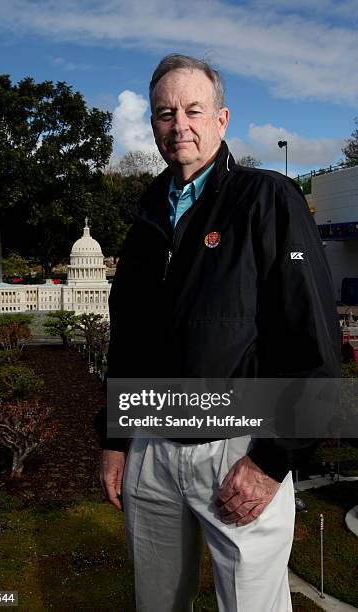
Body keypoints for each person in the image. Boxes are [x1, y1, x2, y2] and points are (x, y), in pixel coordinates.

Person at [95, 54, 340, 611]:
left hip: (238, 452)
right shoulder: (146, 220)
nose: (179, 124)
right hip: (152, 450)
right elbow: (127, 340)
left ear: (222, 119)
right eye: (164, 113)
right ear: (153, 125)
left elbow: (315, 344)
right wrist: (113, 440)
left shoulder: (268, 199)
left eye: (193, 110)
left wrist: (274, 460)